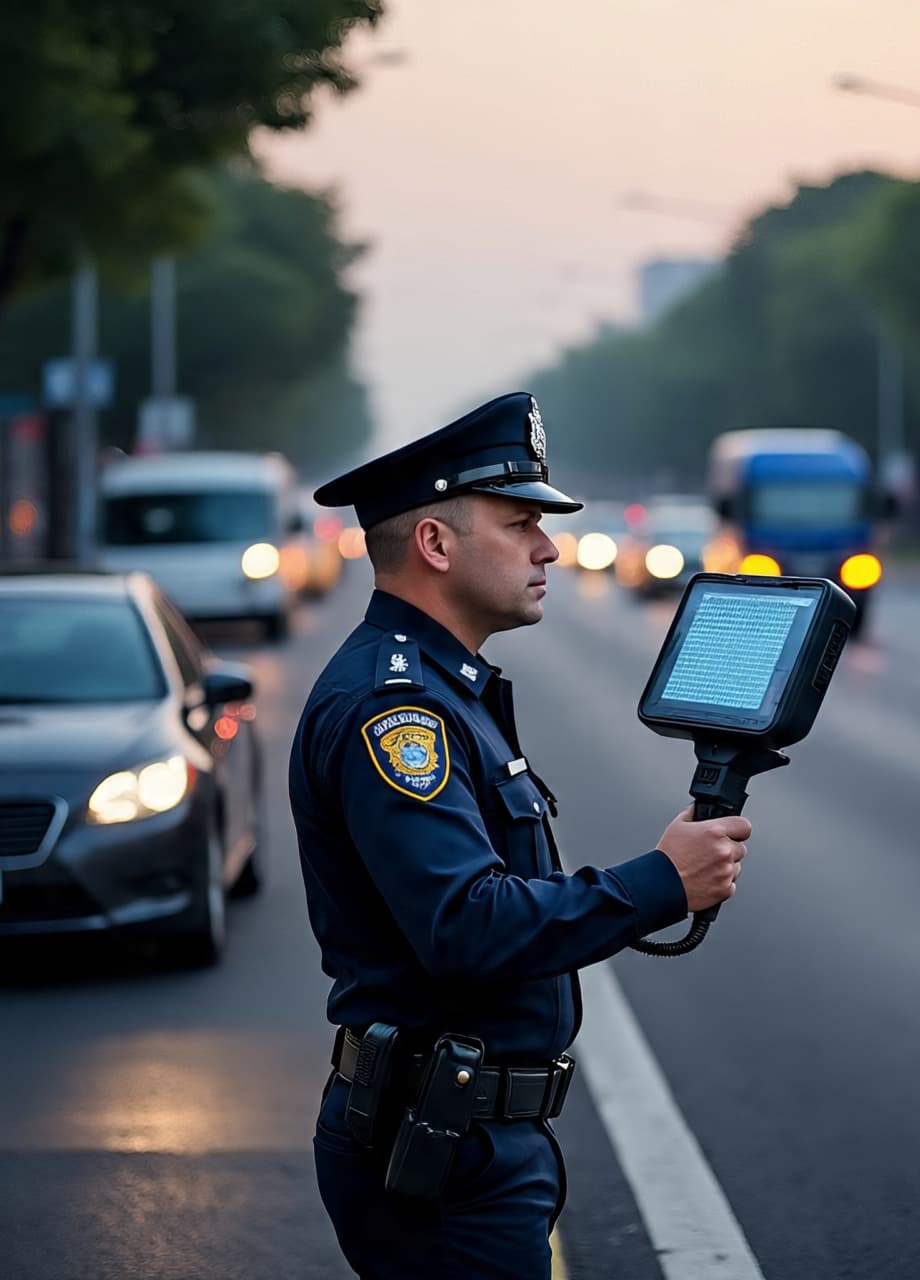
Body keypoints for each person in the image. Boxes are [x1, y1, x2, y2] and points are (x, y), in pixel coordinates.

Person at [289, 392, 751, 1279]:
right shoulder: (398, 708)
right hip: (443, 1155)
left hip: (461, 1137)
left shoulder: (441, 687)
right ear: (435, 544)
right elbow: (466, 922)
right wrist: (659, 880)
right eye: (520, 523)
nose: (549, 546)